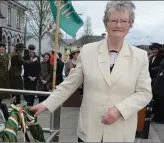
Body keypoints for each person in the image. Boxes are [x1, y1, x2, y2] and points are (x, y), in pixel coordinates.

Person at [31, 1, 152, 142]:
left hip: (120, 131)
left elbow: (145, 93)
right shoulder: (88, 50)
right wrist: (46, 104)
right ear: (105, 23)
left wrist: (120, 110)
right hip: (90, 129)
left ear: (130, 24)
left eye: (124, 21)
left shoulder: (140, 56)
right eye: (113, 20)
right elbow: (70, 83)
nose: (118, 25)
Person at [148, 43, 164, 113]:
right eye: (153, 49)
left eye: (156, 49)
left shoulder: (161, 58)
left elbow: (161, 67)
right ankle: (153, 109)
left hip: (157, 79)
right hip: (150, 79)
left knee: (156, 96)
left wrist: (153, 70)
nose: (154, 51)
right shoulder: (151, 57)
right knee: (152, 95)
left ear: (158, 50)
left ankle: (156, 110)